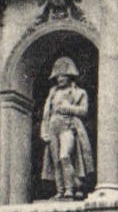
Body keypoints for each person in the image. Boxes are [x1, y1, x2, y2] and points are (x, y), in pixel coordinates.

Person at [40, 57, 94, 199]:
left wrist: (68, 108)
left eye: (63, 75)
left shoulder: (79, 92)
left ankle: (72, 188)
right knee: (55, 161)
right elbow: (46, 114)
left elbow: (84, 111)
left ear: (69, 76)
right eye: (57, 76)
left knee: (65, 156)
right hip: (53, 127)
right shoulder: (52, 93)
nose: (60, 79)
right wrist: (43, 131)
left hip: (68, 126)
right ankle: (61, 190)